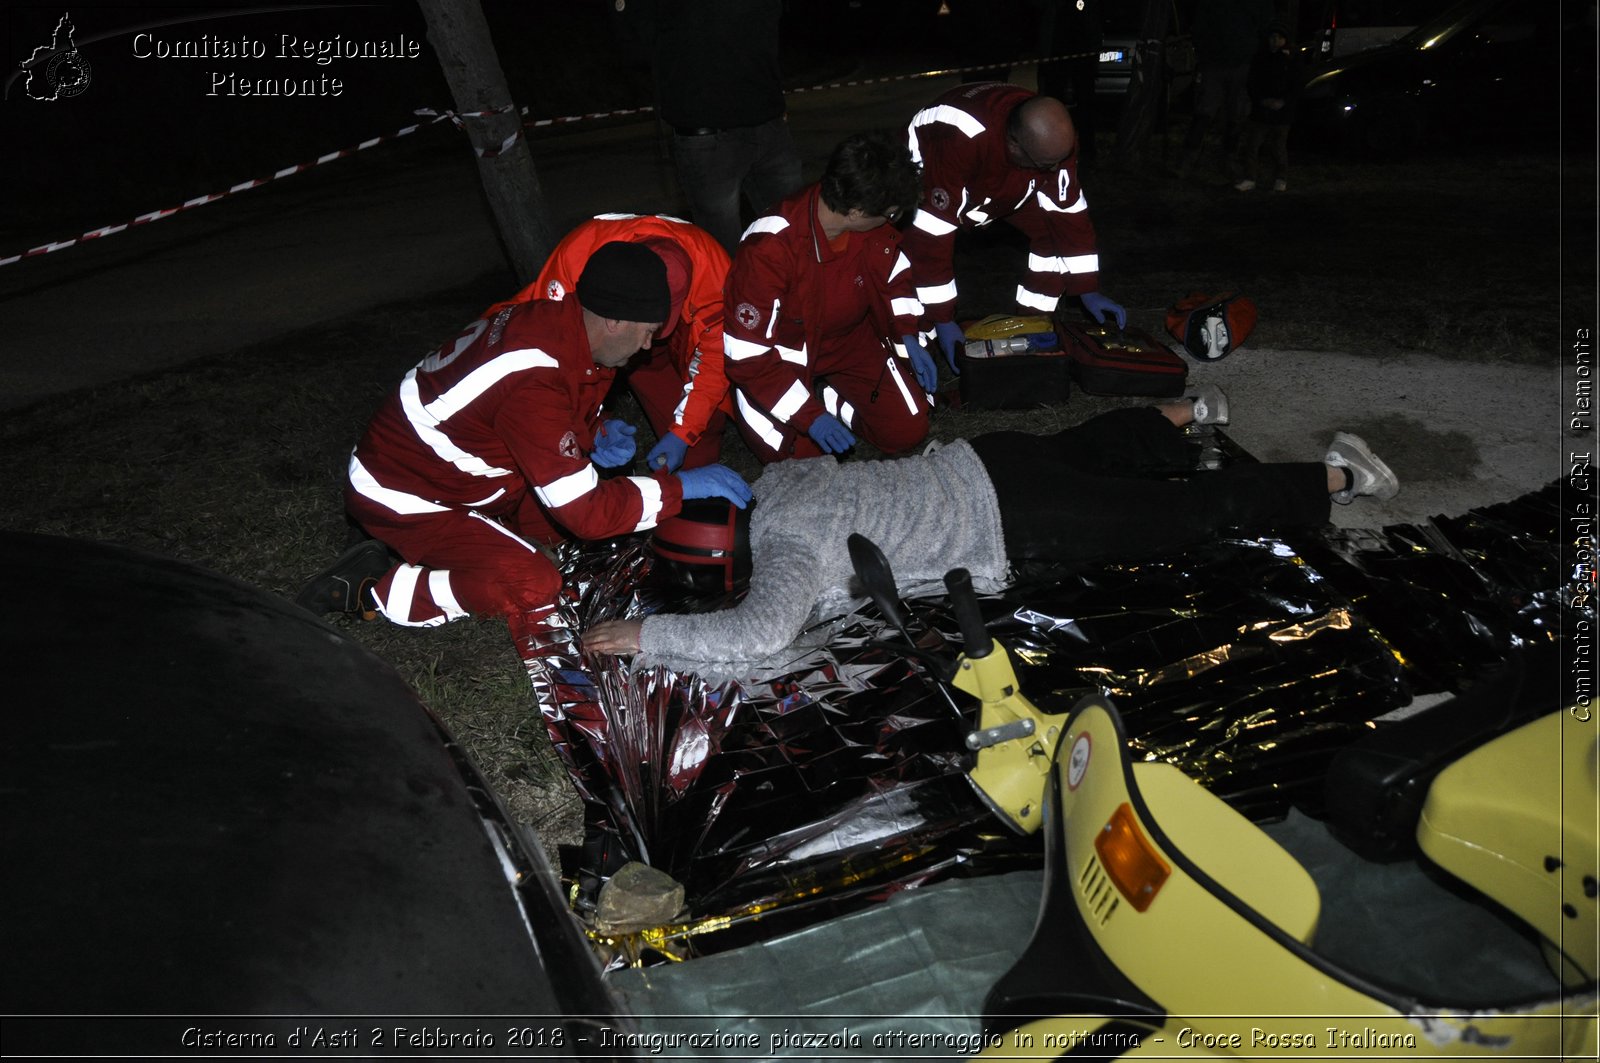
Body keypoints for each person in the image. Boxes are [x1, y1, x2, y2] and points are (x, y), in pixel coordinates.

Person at [583, 387, 1402, 664]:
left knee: (1178, 516)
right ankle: (1193, 411)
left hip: (1011, 520)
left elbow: (759, 634)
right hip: (986, 460)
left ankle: (1340, 473)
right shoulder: (783, 481)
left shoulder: (790, 551)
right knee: (1096, 446)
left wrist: (644, 636)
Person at [295, 242, 752, 629]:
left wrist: (594, 432)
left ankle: (465, 545)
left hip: (462, 472)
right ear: (616, 320)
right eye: (649, 332)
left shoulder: (559, 325)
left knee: (558, 539)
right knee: (534, 585)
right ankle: (375, 588)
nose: (648, 346)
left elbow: (544, 411)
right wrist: (682, 487)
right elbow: (585, 512)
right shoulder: (533, 372)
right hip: (407, 493)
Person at [722, 130, 934, 464]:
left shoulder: (869, 224)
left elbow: (895, 275)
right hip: (784, 357)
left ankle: (833, 398)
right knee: (801, 463)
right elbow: (747, 356)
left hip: (852, 341)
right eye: (891, 213)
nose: (894, 221)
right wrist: (809, 417)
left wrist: (908, 333)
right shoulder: (769, 247)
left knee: (907, 431)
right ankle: (814, 404)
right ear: (855, 211)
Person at [903, 82, 1126, 372]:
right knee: (908, 255)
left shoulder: (1053, 141)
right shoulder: (957, 139)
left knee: (1051, 233)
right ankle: (919, 337)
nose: (1053, 171)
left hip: (1005, 175)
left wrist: (1087, 288)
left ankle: (1032, 323)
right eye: (1046, 165)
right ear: (1014, 143)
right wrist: (943, 318)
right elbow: (931, 239)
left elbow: (1068, 212)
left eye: (1058, 162)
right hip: (939, 177)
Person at [516, 213, 733, 473]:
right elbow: (551, 353)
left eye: (655, 331)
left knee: (698, 443)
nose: (647, 346)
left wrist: (684, 432)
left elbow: (714, 360)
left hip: (678, 330)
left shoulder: (716, 273)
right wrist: (588, 424)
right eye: (647, 332)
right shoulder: (578, 256)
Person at [649, 0, 805, 253]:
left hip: (768, 120)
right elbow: (636, 40)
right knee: (723, 253)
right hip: (708, 132)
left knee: (798, 237)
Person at [1176, 0, 1275, 181]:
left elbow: (1265, 27)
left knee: (1236, 115)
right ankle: (1188, 159)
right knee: (1204, 112)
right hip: (1215, 63)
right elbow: (1199, 25)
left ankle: (1228, 160)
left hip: (1241, 63)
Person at [1233, 22, 1305, 193]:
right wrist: (1261, 100)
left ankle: (1281, 179)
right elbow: (1253, 83)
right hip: (1262, 110)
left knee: (1278, 147)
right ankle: (1250, 178)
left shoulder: (1291, 59)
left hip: (1282, 112)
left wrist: (1283, 102)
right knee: (1252, 145)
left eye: (1279, 38)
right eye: (1272, 37)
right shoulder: (1260, 58)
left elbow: (1296, 85)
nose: (1275, 41)